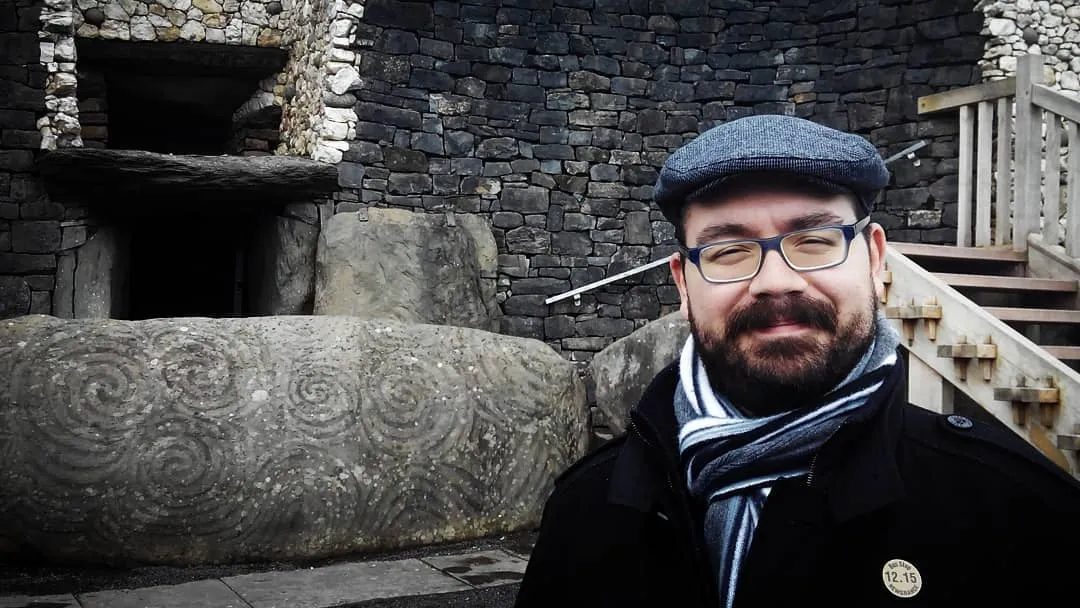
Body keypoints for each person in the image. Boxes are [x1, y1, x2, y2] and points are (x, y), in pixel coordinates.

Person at [513, 114, 1080, 607]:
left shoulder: (1013, 512)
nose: (775, 281)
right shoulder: (586, 512)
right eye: (728, 250)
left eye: (814, 240)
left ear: (876, 259)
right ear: (683, 284)